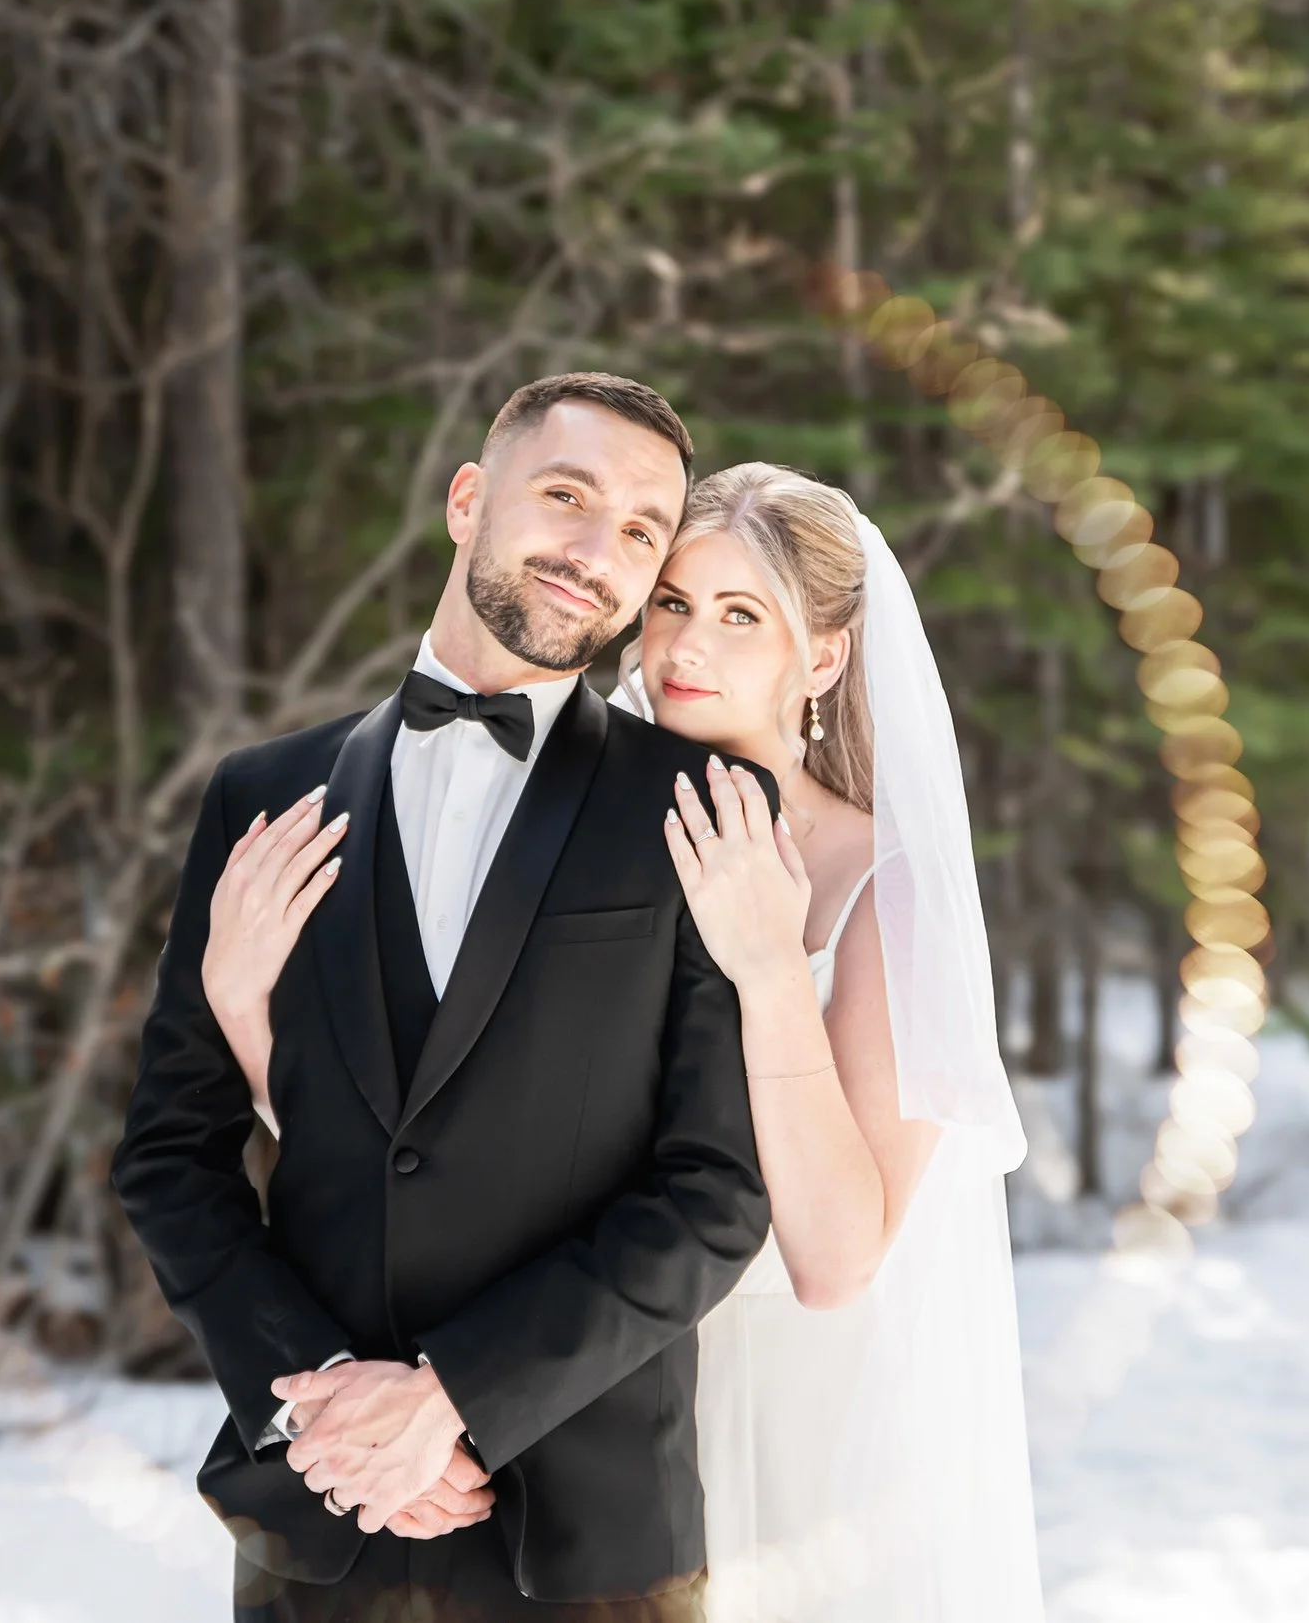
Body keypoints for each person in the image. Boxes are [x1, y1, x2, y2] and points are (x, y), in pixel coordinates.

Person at [201, 461, 1045, 1623]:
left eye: (742, 615)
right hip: (570, 1386)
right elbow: (424, 1140)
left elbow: (838, 1258)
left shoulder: (878, 888)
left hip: (787, 1414)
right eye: (672, 603)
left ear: (827, 657)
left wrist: (764, 965)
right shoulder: (575, 827)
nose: (685, 646)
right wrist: (244, 1005)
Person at [111, 372, 776, 1623]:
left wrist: (450, 1397)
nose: (595, 550)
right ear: (469, 499)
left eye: (640, 530)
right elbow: (168, 1153)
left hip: (590, 1548)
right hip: (322, 1526)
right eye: (566, 495)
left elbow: (717, 1192)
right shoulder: (260, 795)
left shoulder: (700, 805)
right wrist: (321, 1411)